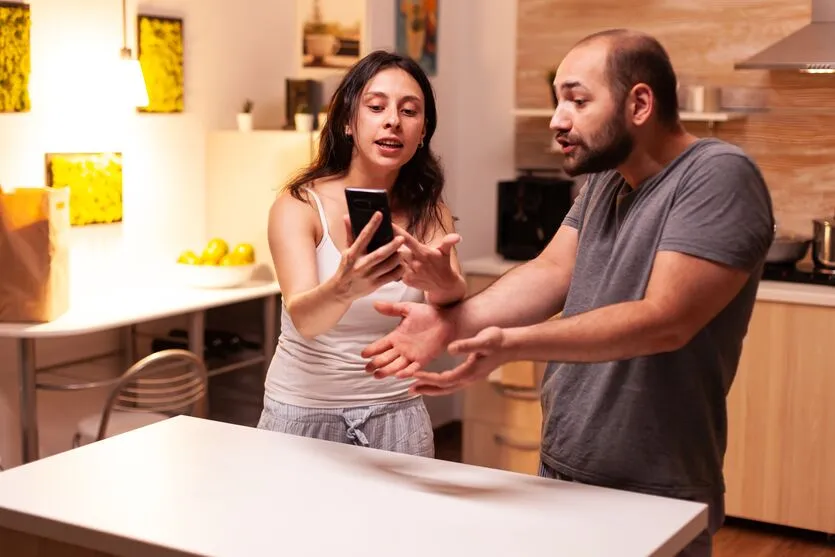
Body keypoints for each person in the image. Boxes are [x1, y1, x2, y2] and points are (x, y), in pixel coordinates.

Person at [362, 29, 774, 556]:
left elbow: (665, 319)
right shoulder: (607, 179)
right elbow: (551, 271)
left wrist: (511, 344)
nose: (558, 118)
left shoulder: (717, 175)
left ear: (640, 103)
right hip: (564, 460)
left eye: (578, 100)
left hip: (654, 484)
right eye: (558, 99)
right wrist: (449, 325)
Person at [257, 50, 466, 458]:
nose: (393, 120)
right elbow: (305, 319)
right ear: (349, 122)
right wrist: (344, 287)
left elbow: (448, 312)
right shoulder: (300, 206)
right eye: (376, 107)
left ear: (422, 131)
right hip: (302, 415)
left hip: (398, 414)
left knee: (400, 525)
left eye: (410, 111)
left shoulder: (430, 210)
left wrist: (445, 284)